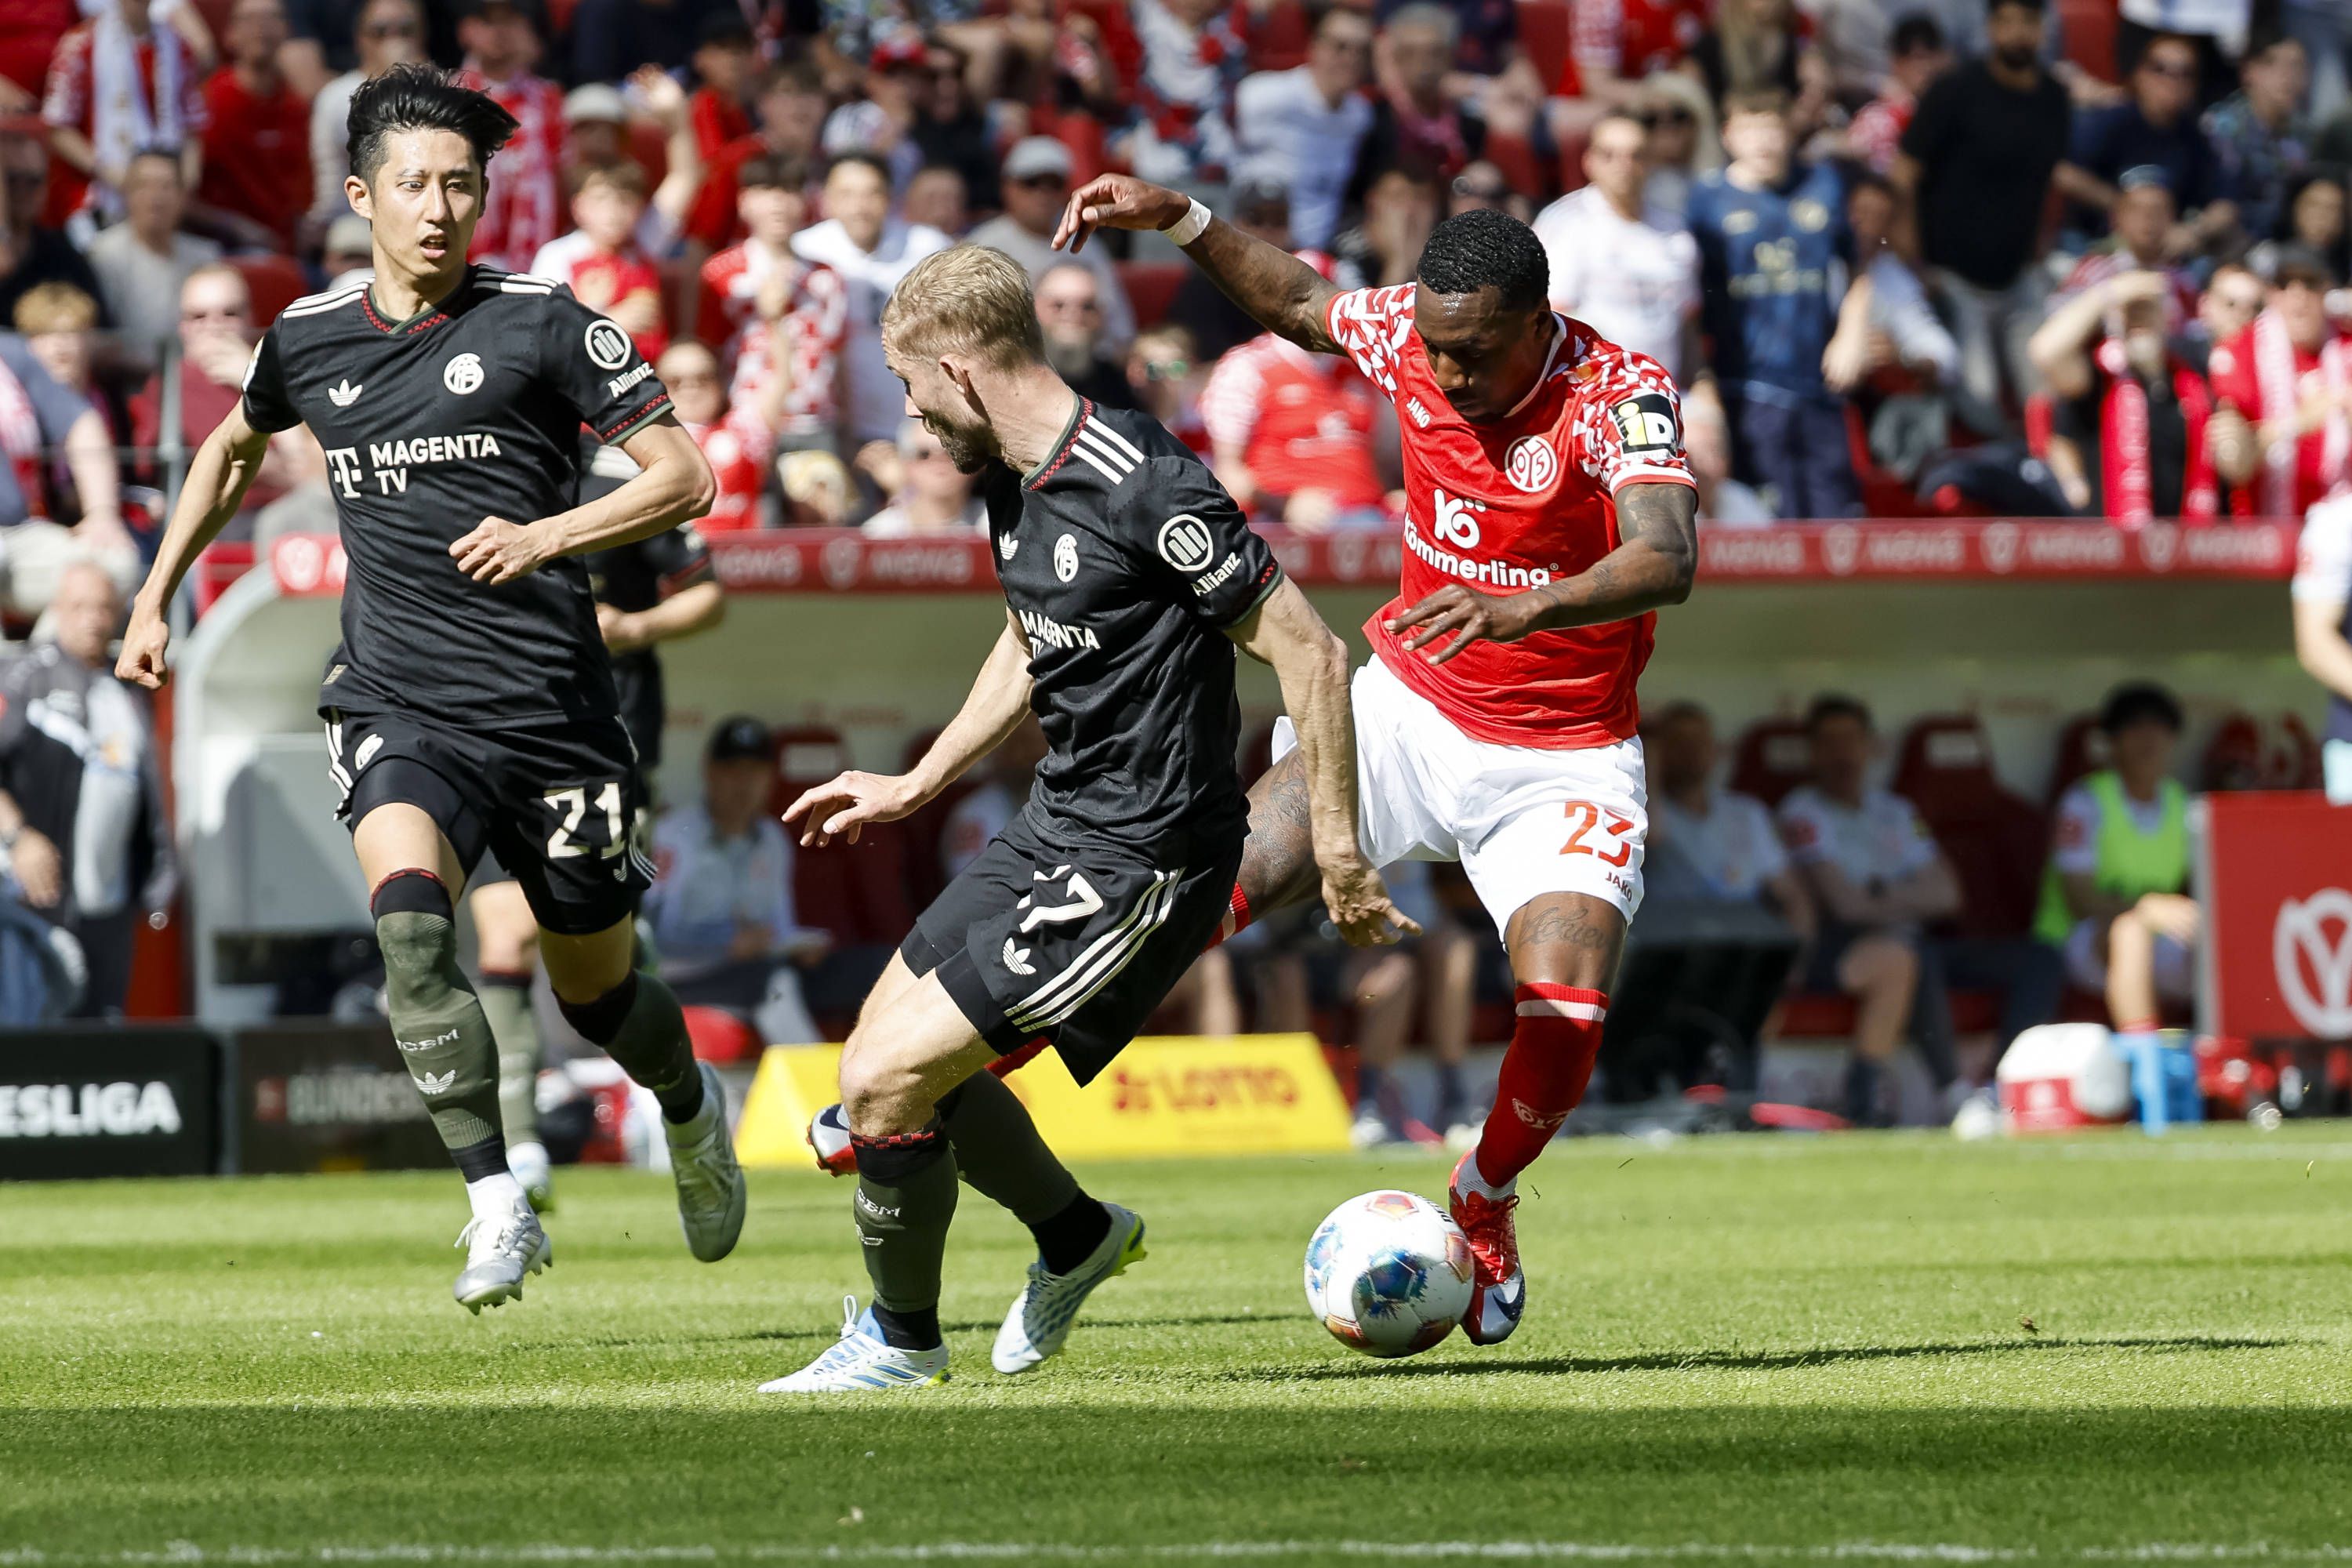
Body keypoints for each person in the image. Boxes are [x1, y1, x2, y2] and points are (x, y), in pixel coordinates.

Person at [114, 64, 742, 1314]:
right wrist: (152, 591)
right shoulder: (307, 337)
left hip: (559, 717)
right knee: (411, 930)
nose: (442, 207)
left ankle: (687, 1102)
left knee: (601, 995)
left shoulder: (548, 321)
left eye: (464, 184)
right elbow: (231, 447)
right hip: (401, 704)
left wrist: (549, 538)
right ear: (363, 197)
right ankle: (497, 1201)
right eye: (416, 185)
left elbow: (685, 479)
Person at [1054, 172, 1700, 1345]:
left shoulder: (1618, 392)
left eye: (1478, 355)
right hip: (1405, 713)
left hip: (1562, 756)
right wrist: (1183, 221)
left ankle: (1483, 1197)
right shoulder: (1411, 330)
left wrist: (1528, 608)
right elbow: (1302, 302)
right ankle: (967, 1072)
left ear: (1538, 323)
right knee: (1205, 884)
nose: (1448, 377)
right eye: (1438, 353)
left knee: (1567, 1008)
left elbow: (1668, 554)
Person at [760, 243, 1397, 1394]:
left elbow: (1312, 649)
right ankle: (1075, 1236)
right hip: (1060, 822)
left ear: (958, 370)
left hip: (1141, 856)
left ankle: (900, 1346)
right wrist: (919, 783)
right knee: (873, 1063)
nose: (910, 418)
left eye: (910, 390)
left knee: (882, 1088)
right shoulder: (1014, 468)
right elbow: (1029, 631)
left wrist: (1340, 846)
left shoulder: (1144, 478)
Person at [1648, 701, 1918, 1096]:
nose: (1690, 751)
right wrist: (1647, 762)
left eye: (1699, 741)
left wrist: (1794, 955)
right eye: (1677, 742)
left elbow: (1793, 896)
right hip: (1679, 951)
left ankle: (1859, 1099)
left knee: (1893, 957)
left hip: (1746, 946)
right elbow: (1653, 834)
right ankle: (1711, 1093)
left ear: (1717, 750)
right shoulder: (1645, 810)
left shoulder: (1746, 813)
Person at [1775, 695, 1962, 1124]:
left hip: (1905, 937)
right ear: (1813, 752)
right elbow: (1844, 906)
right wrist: (1906, 897)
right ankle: (1945, 1090)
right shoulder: (1802, 811)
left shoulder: (1896, 811)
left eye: (1851, 740)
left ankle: (1998, 1080)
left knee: (2036, 958)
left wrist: (1880, 895)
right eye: (1829, 742)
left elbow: (1949, 894)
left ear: (1871, 746)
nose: (1842, 753)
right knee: (1908, 952)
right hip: (1833, 946)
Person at [0, 561, 173, 1019]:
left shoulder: (128, 689)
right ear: (58, 610)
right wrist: (20, 838)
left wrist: (157, 875)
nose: (92, 619)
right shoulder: (27, 678)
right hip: (33, 901)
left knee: (102, 1033)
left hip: (108, 902)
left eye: (102, 608)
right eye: (79, 607)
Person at [1894, 0, 2075, 420]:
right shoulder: (1955, 90)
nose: (2015, 33)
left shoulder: (2054, 98)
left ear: (2042, 29)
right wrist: (1914, 259)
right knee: (1979, 404)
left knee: (2048, 403)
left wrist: (2043, 246)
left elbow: (2052, 178)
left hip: (2019, 276)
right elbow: (1903, 174)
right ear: (1990, 29)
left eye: (2026, 21)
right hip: (1954, 277)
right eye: (2005, 22)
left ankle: (2049, 480)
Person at [1687, 90, 1862, 519]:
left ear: (1790, 130)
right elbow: (1689, 298)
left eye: (1772, 127)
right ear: (1728, 135)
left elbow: (1859, 266)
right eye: (1750, 128)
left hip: (1819, 384)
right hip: (1747, 388)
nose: (1763, 141)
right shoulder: (1705, 201)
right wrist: (1702, 377)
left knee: (1835, 524)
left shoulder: (1824, 184)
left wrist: (1851, 334)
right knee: (1770, 528)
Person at [641, 715, 828, 1047]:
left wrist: (799, 946)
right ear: (709, 771)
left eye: (755, 771)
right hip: (687, 979)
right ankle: (830, 1093)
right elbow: (650, 945)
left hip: (755, 968)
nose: (744, 783)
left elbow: (780, 929)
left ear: (770, 778)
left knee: (873, 965)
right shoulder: (673, 837)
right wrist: (726, 945)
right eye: (732, 770)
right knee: (773, 981)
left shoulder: (773, 839)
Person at [2033, 683, 2198, 1040]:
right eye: (2135, 726)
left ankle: (2234, 1058)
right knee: (2130, 932)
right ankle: (2146, 1057)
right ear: (2112, 740)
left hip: (2159, 933)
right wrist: (2145, 908)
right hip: (2074, 940)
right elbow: (2080, 900)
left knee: (2217, 934)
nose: (2148, 738)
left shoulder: (2180, 803)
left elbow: (2209, 882)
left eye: (2160, 727)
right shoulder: (2085, 801)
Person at [1196, 266, 1390, 530]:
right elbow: (1227, 473)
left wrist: (1398, 499)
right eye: (1301, 297)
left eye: (1324, 296)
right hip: (1279, 520)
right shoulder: (1247, 366)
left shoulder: (1366, 364)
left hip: (1367, 515)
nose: (1312, 309)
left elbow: (1389, 463)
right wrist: (1286, 504)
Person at [2029, 267, 2221, 521]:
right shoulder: (2100, 376)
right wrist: (2112, 293)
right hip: (2111, 547)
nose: (2138, 321)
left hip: (2185, 545)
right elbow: (2045, 352)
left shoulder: (2192, 379)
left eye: (2146, 310)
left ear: (2167, 317)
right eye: (2130, 312)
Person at [1533, 110, 1706, 388]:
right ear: (1588, 161)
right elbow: (1546, 323)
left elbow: (1688, 324)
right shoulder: (1565, 224)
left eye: (1635, 154)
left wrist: (1702, 386)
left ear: (1650, 162)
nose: (1623, 165)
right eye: (1609, 154)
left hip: (1664, 392)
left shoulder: (1675, 231)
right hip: (1592, 394)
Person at [790, 151, 952, 448]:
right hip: (831, 424)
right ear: (826, 198)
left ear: (890, 197)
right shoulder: (803, 252)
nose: (859, 207)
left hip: (917, 426)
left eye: (871, 193)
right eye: (847, 194)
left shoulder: (930, 248)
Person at [699, 151, 846, 457]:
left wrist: (848, 427)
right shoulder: (721, 274)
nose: (778, 203)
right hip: (747, 423)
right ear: (744, 202)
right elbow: (706, 351)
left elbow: (839, 356)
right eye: (766, 191)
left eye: (790, 191)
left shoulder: (826, 278)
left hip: (815, 424)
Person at [2207, 249, 2350, 518]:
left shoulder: (2347, 347)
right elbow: (2235, 463)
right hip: (2263, 532)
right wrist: (2300, 421)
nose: (2298, 295)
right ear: (2271, 295)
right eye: (2284, 285)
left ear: (2327, 290)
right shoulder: (2241, 351)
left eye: (2310, 283)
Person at [2060, 31, 2232, 252]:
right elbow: (2063, 172)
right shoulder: (2113, 119)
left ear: (2195, 85)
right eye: (2160, 69)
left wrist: (2193, 231)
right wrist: (2123, 206)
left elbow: (2226, 204)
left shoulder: (2196, 134)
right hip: (2096, 242)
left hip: (2166, 250)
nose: (2172, 81)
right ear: (2140, 74)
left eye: (2185, 73)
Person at [42, 0, 206, 224]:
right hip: (96, 194)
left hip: (165, 195)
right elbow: (58, 127)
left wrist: (183, 183)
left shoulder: (178, 46)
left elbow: (191, 129)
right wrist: (113, 174)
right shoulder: (80, 44)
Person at [967, 137, 1136, 353]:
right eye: (1032, 183)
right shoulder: (982, 245)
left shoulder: (1085, 242)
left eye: (1053, 184)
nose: (1042, 194)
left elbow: (1118, 329)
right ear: (1007, 187)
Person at [1232, 5, 1375, 252]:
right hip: (1257, 244)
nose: (1351, 59)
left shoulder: (1360, 115)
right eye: (1340, 47)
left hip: (1321, 255)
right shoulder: (1263, 96)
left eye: (1362, 51)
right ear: (1315, 46)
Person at [453, 0, 564, 273]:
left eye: (510, 21)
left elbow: (565, 178)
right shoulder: (447, 96)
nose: (499, 32)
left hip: (534, 260)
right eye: (488, 21)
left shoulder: (548, 98)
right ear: (465, 30)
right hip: (463, 260)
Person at [85, 149, 221, 361]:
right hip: (126, 384)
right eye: (144, 186)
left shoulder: (205, 257)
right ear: (127, 193)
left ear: (183, 195)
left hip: (196, 378)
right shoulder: (103, 255)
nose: (155, 198)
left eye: (166, 186)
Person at [196, 0, 307, 249]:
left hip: (288, 246)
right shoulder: (209, 102)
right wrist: (236, 226)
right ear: (229, 35)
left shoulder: (296, 107)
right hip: (222, 244)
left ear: (286, 31)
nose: (261, 28)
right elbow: (186, 195)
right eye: (249, 20)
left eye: (271, 18)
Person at [308, 0, 421, 226]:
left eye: (406, 30)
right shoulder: (336, 96)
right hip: (353, 218)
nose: (394, 40)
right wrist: (396, 80)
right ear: (360, 39)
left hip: (421, 215)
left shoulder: (440, 90)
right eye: (380, 32)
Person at [2048, 172, 2203, 336]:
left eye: (2158, 210)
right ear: (2117, 219)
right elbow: (2055, 324)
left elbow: (2199, 339)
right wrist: (2108, 296)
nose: (2148, 218)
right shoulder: (2093, 271)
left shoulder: (2184, 283)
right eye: (2136, 210)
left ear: (2172, 218)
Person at [2204, 27, 2312, 247]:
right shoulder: (2221, 127)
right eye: (2273, 64)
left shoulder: (2304, 135)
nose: (2288, 77)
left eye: (2297, 66)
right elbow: (2217, 206)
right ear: (2248, 71)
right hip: (2223, 245)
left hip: (2283, 247)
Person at [656, 339, 774, 530]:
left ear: (719, 381)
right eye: (675, 381)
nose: (690, 388)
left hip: (743, 555)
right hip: (677, 557)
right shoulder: (641, 442)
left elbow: (778, 378)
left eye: (703, 378)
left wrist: (775, 322)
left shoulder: (745, 428)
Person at [1844, 13, 1950, 172]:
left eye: (1932, 57)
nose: (1927, 68)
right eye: (1919, 58)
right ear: (1896, 62)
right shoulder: (1877, 120)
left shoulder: (1953, 113)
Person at [1033, 262, 1136, 412]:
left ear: (1102, 316)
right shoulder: (1010, 377)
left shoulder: (1120, 385)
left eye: (1087, 306)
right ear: (1033, 310)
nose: (1072, 315)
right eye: (1058, 305)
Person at [860, 422, 987, 536]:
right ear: (905, 463)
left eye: (951, 452)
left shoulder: (995, 526)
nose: (939, 461)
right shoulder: (879, 534)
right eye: (924, 454)